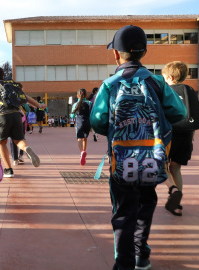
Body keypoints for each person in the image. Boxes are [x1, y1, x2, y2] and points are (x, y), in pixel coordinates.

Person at [90, 25, 186, 270]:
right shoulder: (156, 82)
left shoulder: (110, 84)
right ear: (144, 51)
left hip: (121, 160)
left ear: (116, 54)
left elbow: (98, 121)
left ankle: (123, 264)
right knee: (145, 204)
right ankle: (142, 255)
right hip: (152, 158)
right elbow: (179, 113)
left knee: (122, 211)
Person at [162, 61, 196, 216]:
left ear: (170, 77)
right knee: (175, 168)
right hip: (187, 135)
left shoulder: (166, 91)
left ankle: (173, 190)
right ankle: (178, 203)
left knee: (161, 167)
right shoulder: (190, 90)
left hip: (169, 134)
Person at [70, 88, 92, 166]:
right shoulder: (89, 103)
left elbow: (72, 115)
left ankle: (81, 152)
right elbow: (91, 112)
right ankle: (84, 150)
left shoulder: (76, 104)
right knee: (85, 138)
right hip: (87, 123)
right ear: (86, 95)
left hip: (79, 123)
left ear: (77, 95)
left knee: (79, 138)